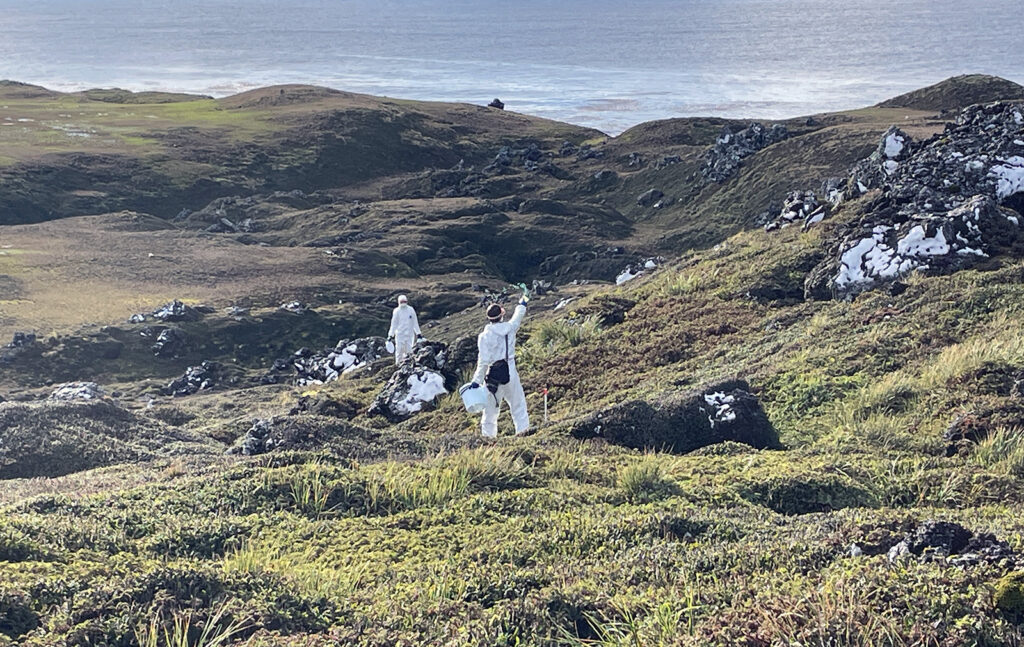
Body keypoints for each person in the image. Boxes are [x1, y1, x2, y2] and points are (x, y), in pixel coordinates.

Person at [470, 289, 530, 438]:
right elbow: (518, 316)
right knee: (518, 406)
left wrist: (476, 381)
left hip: (492, 376)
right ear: (502, 315)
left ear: (489, 318)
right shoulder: (510, 329)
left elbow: (483, 362)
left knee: (490, 412)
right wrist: (523, 302)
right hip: (510, 372)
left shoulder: (483, 337)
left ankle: (488, 440)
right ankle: (523, 434)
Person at [387, 295, 423, 365]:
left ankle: (409, 365)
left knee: (409, 351)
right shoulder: (397, 311)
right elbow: (394, 324)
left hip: (409, 335)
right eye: (401, 302)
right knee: (399, 351)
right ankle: (398, 365)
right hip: (400, 335)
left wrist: (418, 333)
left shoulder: (411, 310)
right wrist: (391, 335)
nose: (403, 303)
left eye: (404, 301)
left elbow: (415, 322)